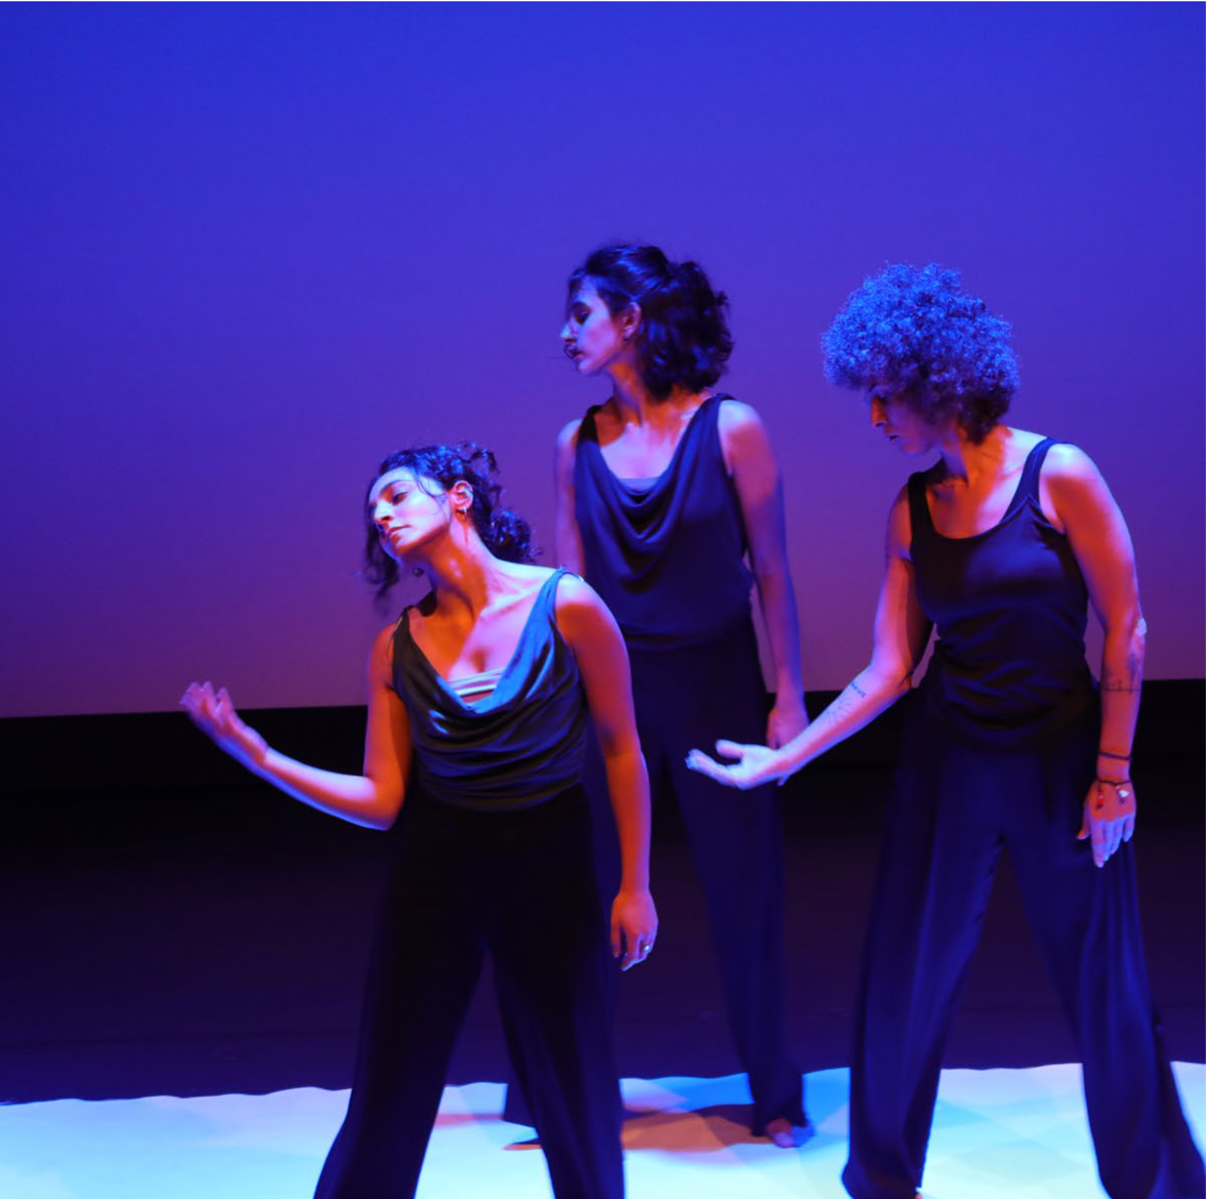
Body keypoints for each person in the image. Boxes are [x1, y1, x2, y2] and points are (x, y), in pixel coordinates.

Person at [688, 263, 1204, 1199]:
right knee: (905, 975)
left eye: (885, 396)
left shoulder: (1061, 474)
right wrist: (783, 758)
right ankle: (884, 1179)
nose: (875, 417)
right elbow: (889, 668)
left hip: (1060, 758)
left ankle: (1158, 1184)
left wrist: (1114, 772)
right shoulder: (912, 507)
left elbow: (1125, 626)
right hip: (950, 760)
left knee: (1107, 983)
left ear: (939, 381)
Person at [181, 442, 658, 1199]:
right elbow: (382, 801)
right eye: (373, 509)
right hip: (438, 868)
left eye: (397, 495)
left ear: (458, 496)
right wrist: (258, 753)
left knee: (573, 1073)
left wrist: (635, 884)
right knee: (392, 1078)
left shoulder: (567, 605)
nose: (382, 514)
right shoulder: (394, 647)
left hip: (551, 858)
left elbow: (622, 747)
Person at [545, 242, 807, 1145]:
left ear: (631, 319)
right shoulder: (575, 443)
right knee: (587, 892)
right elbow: (570, 599)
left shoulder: (731, 428)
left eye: (581, 314)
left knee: (745, 893)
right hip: (614, 697)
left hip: (719, 684)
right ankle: (570, 1093)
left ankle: (776, 1092)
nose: (566, 333)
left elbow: (771, 572)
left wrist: (788, 699)